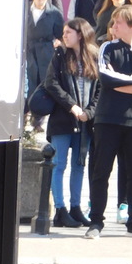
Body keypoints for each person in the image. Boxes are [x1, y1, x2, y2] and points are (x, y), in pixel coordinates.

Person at [85, 5, 132, 239]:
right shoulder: (107, 47)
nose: (113, 26)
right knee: (101, 171)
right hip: (107, 118)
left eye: (118, 22)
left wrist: (129, 85)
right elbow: (105, 78)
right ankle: (96, 221)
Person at [42, 18, 99, 229]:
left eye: (68, 32)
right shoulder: (60, 55)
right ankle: (60, 209)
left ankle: (76, 208)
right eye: (64, 32)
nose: (64, 36)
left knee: (79, 165)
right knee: (58, 164)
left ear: (80, 35)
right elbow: (51, 83)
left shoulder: (94, 56)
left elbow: (99, 88)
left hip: (85, 121)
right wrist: (72, 106)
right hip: (63, 119)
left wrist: (90, 112)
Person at [26, 0, 64, 130]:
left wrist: (58, 43)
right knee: (28, 84)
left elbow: (61, 35)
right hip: (28, 51)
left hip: (46, 53)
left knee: (42, 85)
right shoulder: (25, 10)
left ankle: (38, 122)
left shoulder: (54, 13)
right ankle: (23, 117)